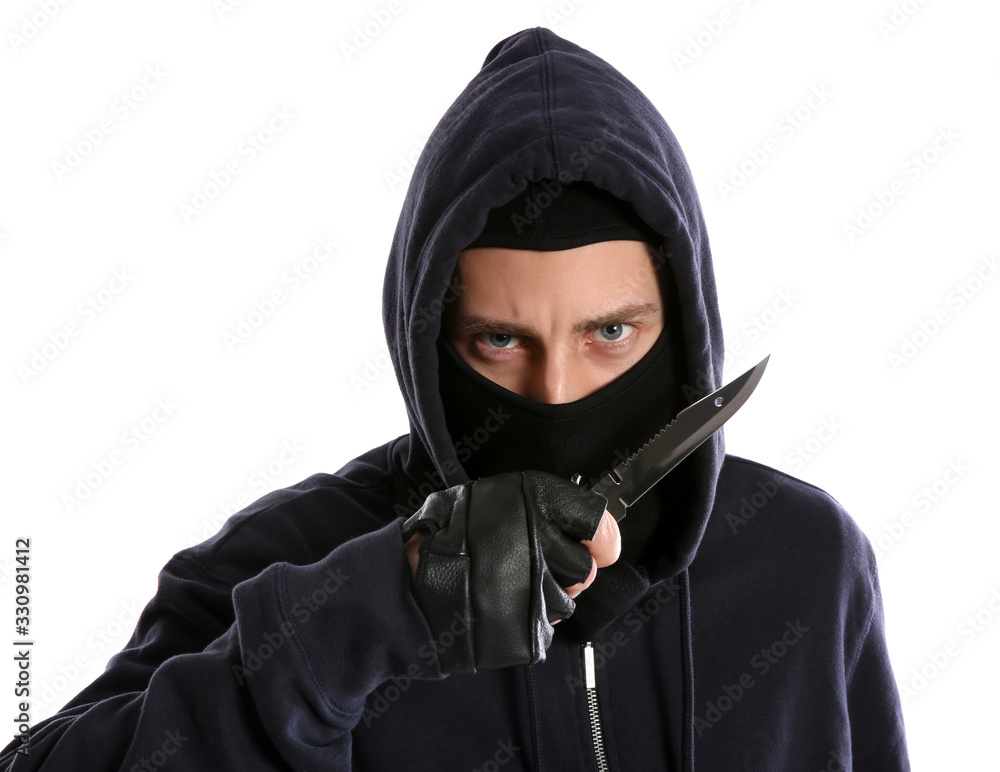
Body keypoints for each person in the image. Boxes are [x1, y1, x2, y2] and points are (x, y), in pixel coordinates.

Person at [2, 27, 909, 771]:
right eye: (501, 340)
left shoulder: (806, 560)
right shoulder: (288, 562)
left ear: (680, 331)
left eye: (609, 334)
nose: (555, 393)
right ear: (431, 339)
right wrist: (374, 614)